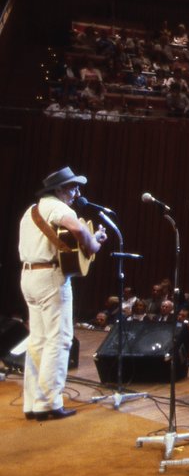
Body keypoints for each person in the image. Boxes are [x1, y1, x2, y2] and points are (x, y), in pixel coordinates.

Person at [19, 167, 106, 420]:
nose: (77, 192)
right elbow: (76, 230)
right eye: (72, 187)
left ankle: (32, 402)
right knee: (59, 339)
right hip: (50, 277)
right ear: (58, 190)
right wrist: (94, 244)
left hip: (29, 276)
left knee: (38, 340)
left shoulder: (31, 211)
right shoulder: (59, 208)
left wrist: (91, 236)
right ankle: (48, 404)